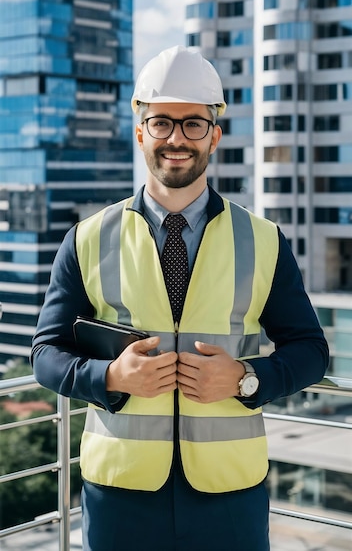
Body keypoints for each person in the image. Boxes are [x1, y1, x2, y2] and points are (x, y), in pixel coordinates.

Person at [31, 45, 329, 551]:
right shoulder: (86, 237)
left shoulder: (263, 239)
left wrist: (247, 377)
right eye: (161, 122)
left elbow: (311, 351)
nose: (176, 138)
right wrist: (109, 377)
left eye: (193, 124)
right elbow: (45, 353)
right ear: (140, 130)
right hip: (120, 491)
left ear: (214, 135)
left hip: (228, 493)